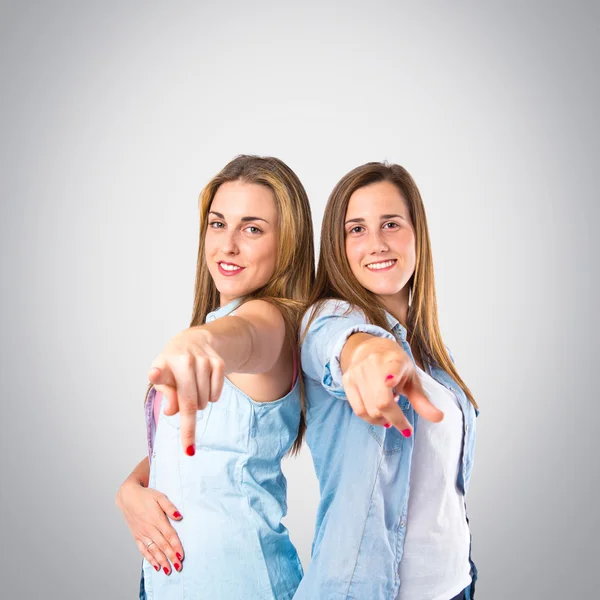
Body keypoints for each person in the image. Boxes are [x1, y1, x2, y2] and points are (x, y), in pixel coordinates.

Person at [115, 155, 315, 600]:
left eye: (252, 228)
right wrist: (131, 489)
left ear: (288, 244)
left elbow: (241, 337)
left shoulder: (270, 322)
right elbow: (196, 449)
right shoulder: (219, 314)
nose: (227, 245)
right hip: (166, 584)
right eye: (218, 223)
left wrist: (199, 343)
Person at [295, 162, 479, 600]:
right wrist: (365, 353)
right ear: (338, 247)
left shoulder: (433, 351)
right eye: (355, 229)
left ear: (418, 235)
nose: (376, 243)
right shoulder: (328, 319)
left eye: (391, 224)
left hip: (457, 584)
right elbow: (339, 345)